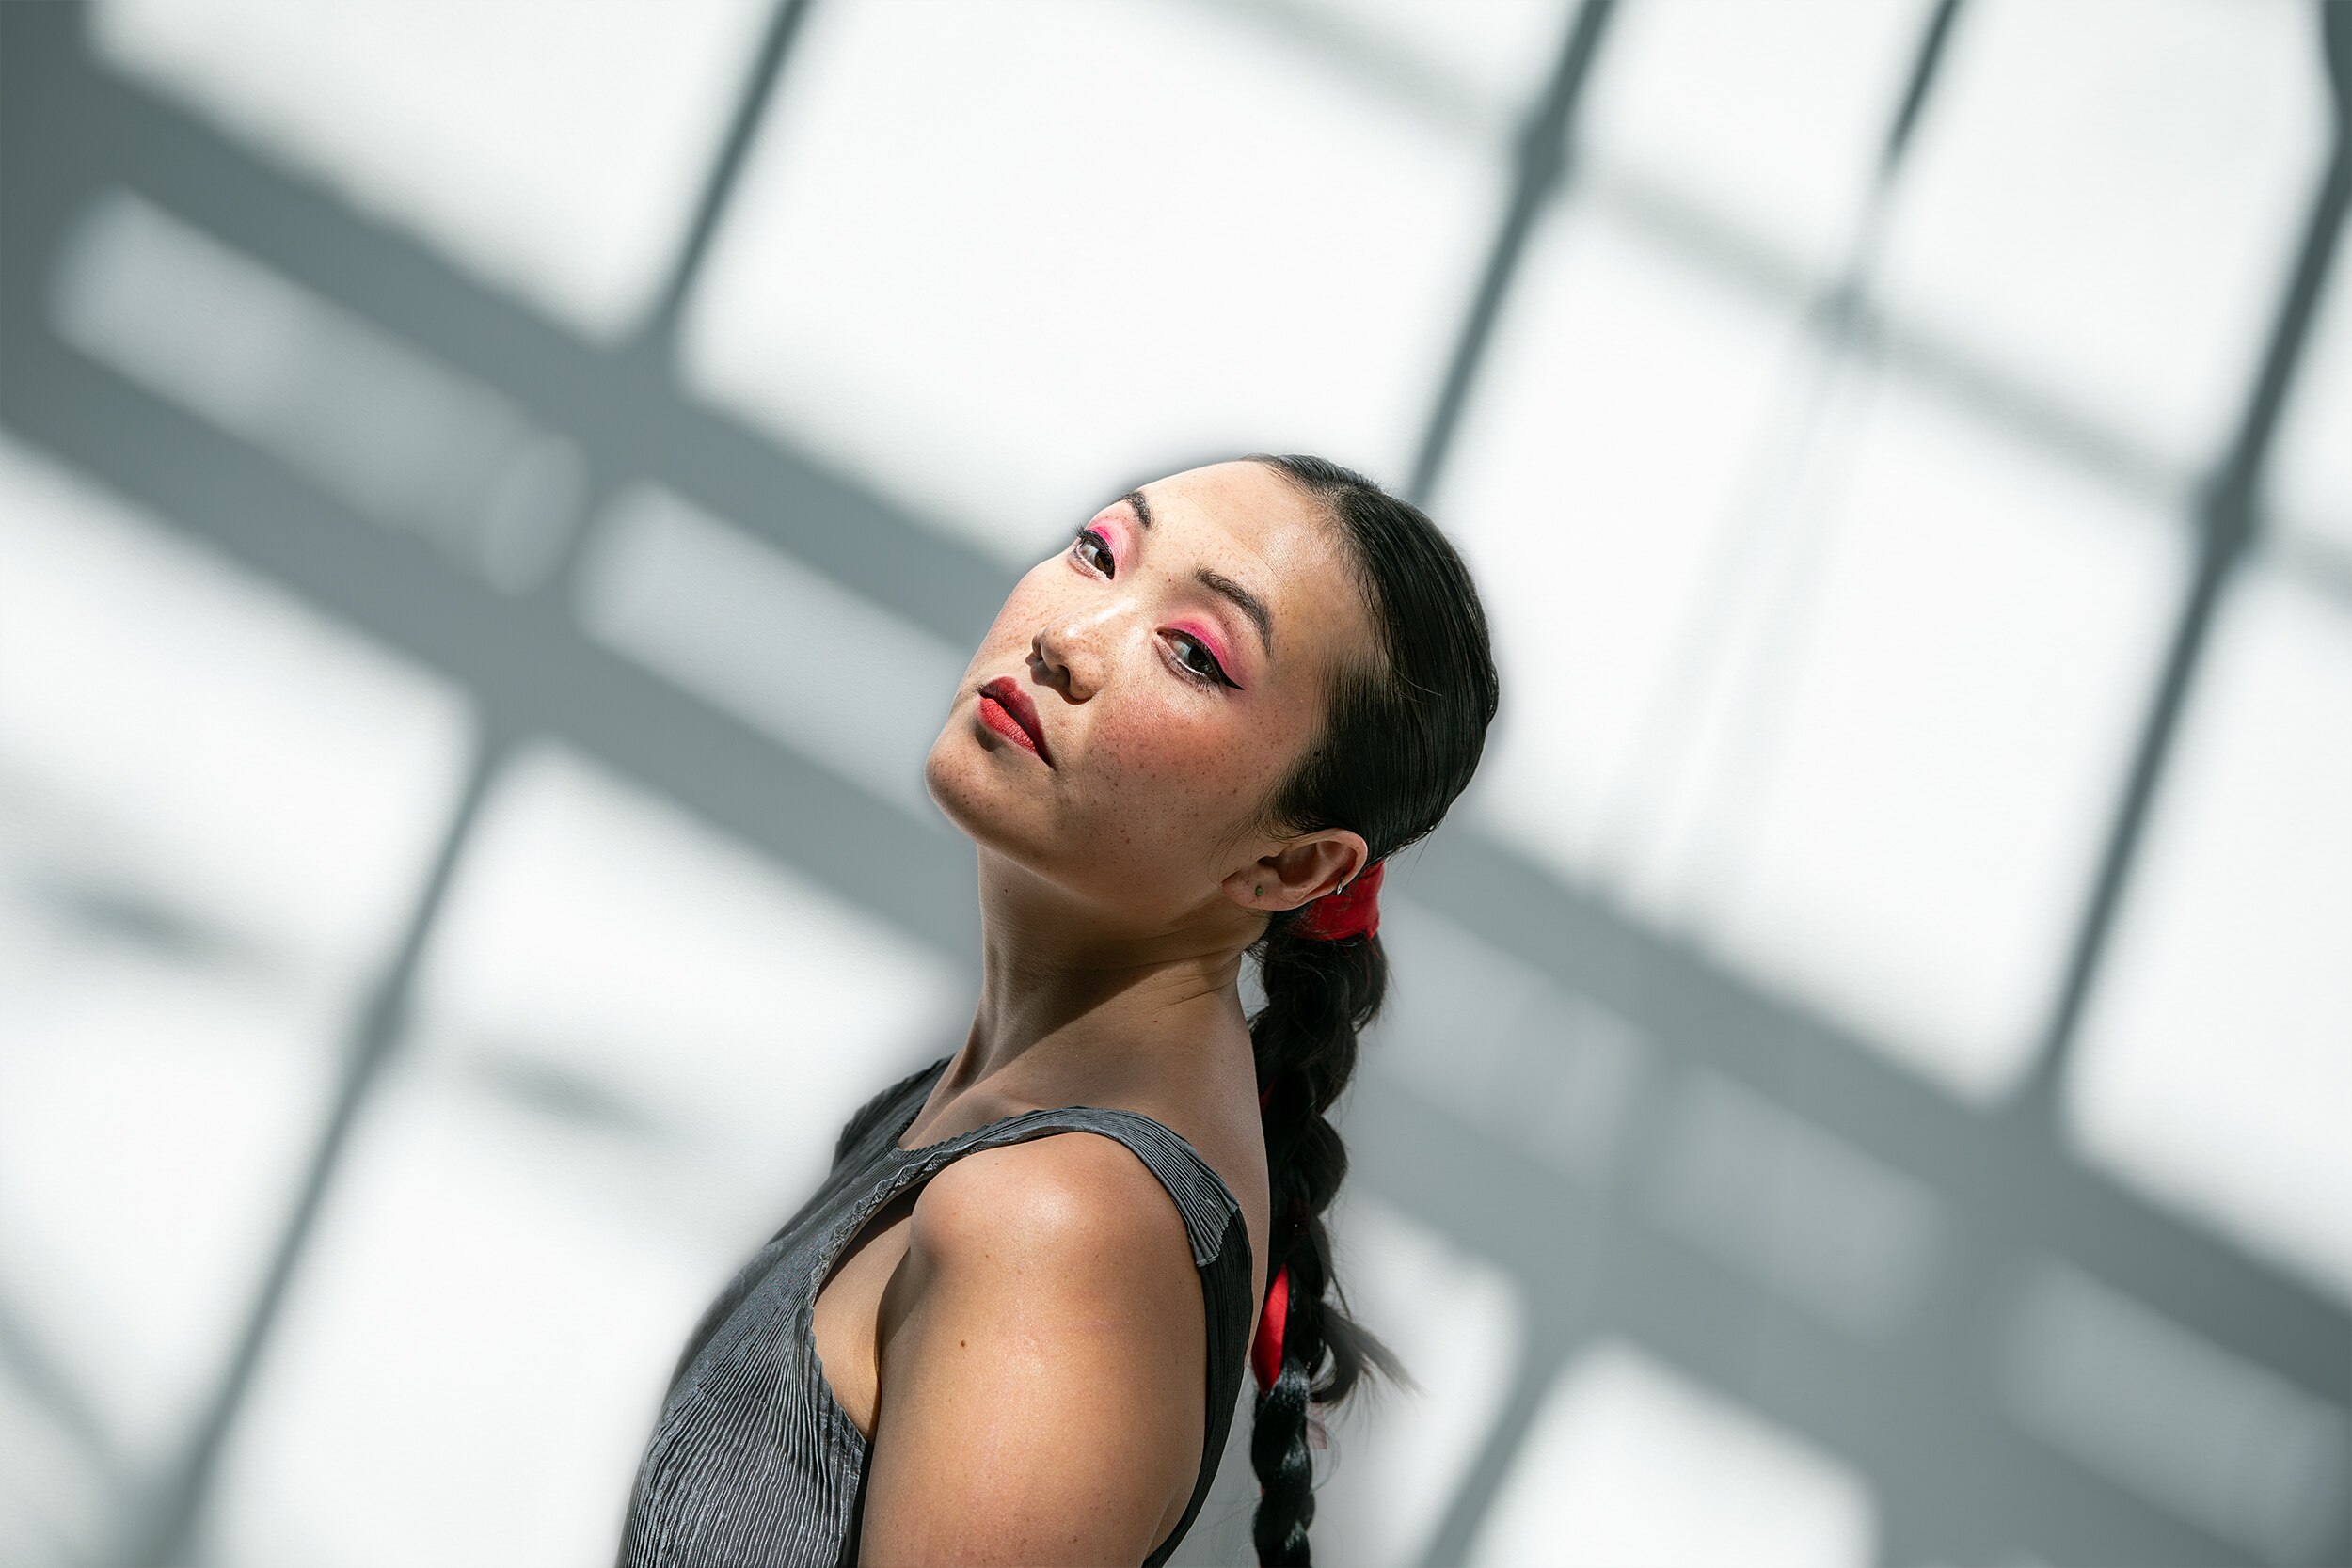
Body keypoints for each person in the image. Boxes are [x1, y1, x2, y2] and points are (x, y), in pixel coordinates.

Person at [616, 453, 1499, 1567]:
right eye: (1098, 552)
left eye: (1192, 653)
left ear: (1290, 864)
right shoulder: (981, 1120)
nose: (1068, 639)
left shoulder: (1059, 1231)